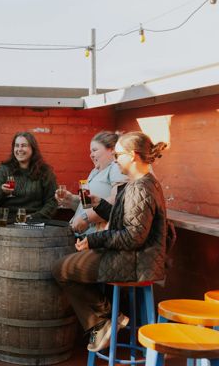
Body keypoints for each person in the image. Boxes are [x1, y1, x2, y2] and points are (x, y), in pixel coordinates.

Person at [52, 131, 169, 353]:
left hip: (136, 263)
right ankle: (107, 320)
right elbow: (122, 216)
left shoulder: (139, 187)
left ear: (133, 156)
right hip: (135, 257)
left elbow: (133, 236)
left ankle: (105, 320)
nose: (115, 160)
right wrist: (98, 204)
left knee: (60, 269)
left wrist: (92, 241)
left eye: (118, 155)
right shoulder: (142, 183)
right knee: (66, 265)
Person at [55, 131, 128, 235]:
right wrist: (71, 200)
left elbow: (117, 201)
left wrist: (86, 218)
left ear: (112, 149)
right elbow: (87, 205)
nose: (91, 155)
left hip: (98, 237)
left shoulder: (115, 168)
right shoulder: (95, 172)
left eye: (95, 150)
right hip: (84, 236)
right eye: (90, 151)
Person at [0, 131, 58, 219]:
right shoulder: (4, 169)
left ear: (32, 148)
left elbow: (52, 201)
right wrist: (1, 191)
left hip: (34, 222)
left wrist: (34, 217)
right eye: (16, 145)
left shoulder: (45, 171)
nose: (19, 149)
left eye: (23, 145)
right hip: (6, 222)